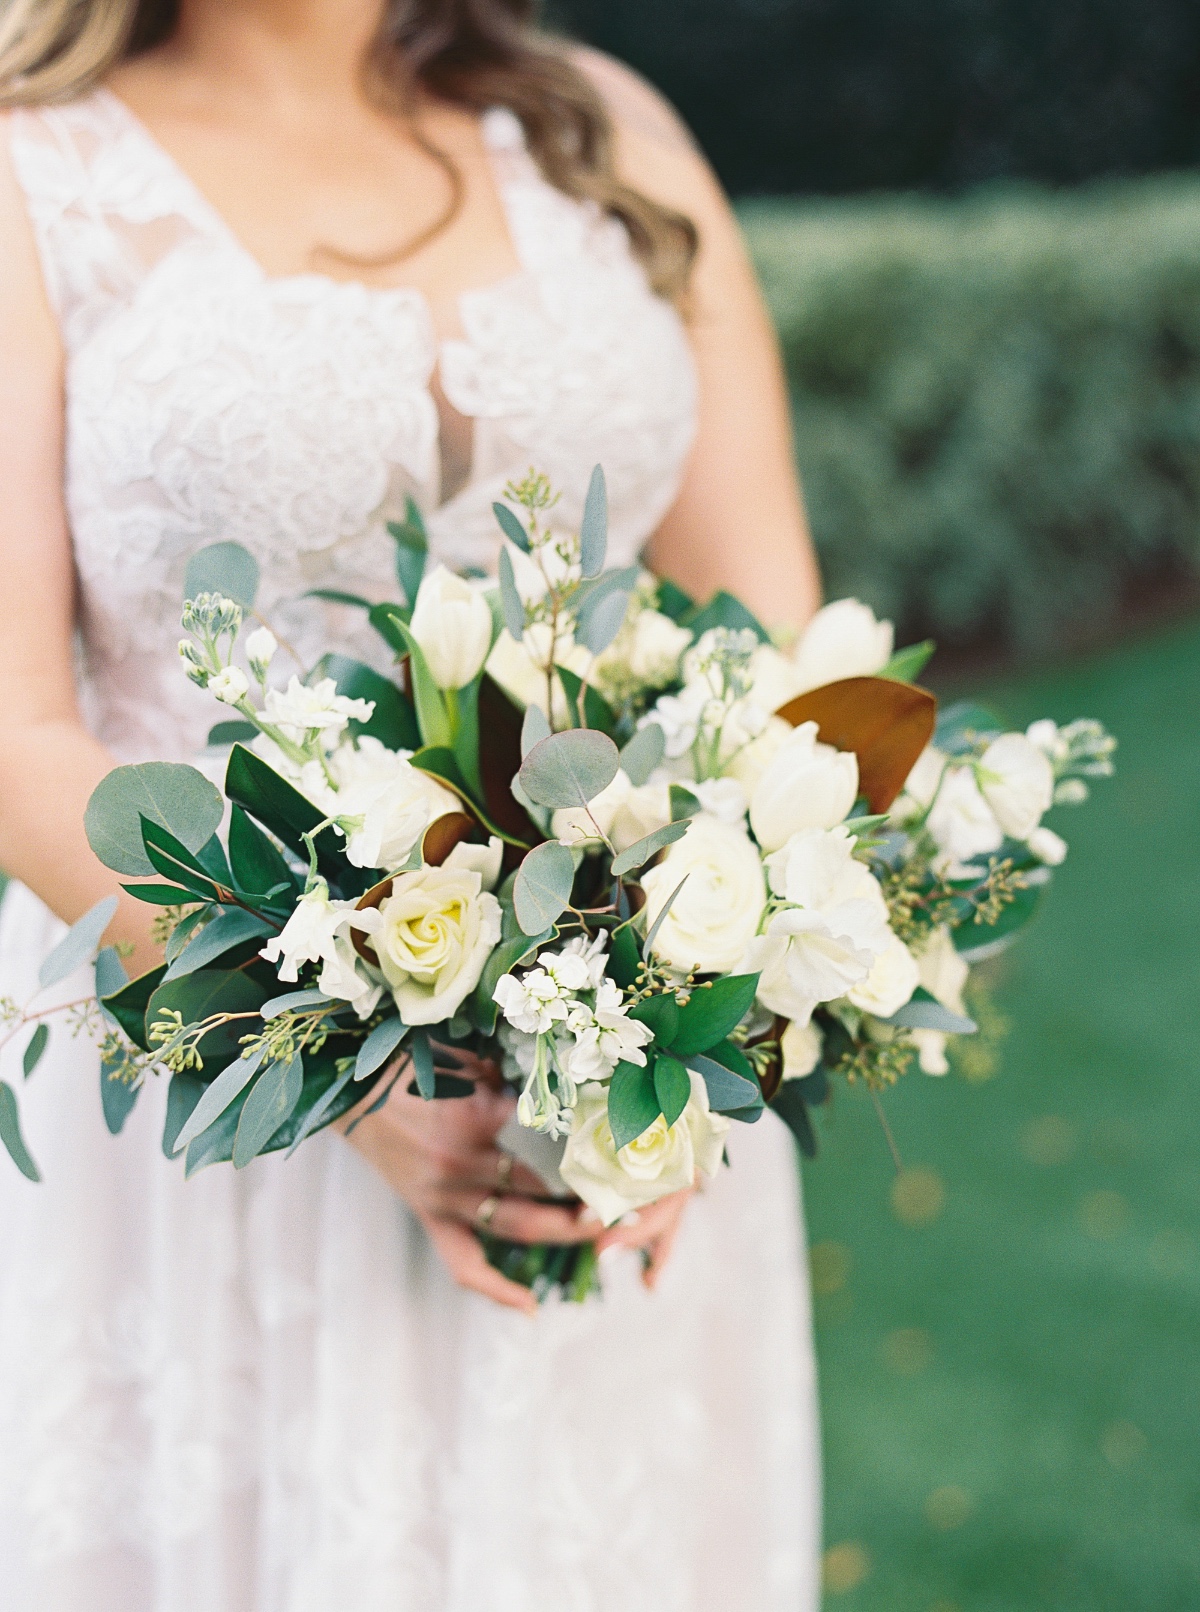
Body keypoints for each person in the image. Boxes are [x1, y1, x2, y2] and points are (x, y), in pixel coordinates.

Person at [0, 2, 823, 1606]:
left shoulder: (606, 129)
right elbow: (10, 727)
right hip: (209, 1102)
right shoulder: (32, 159)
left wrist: (712, 1013)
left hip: (622, 1114)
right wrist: (340, 1067)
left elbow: (778, 660)